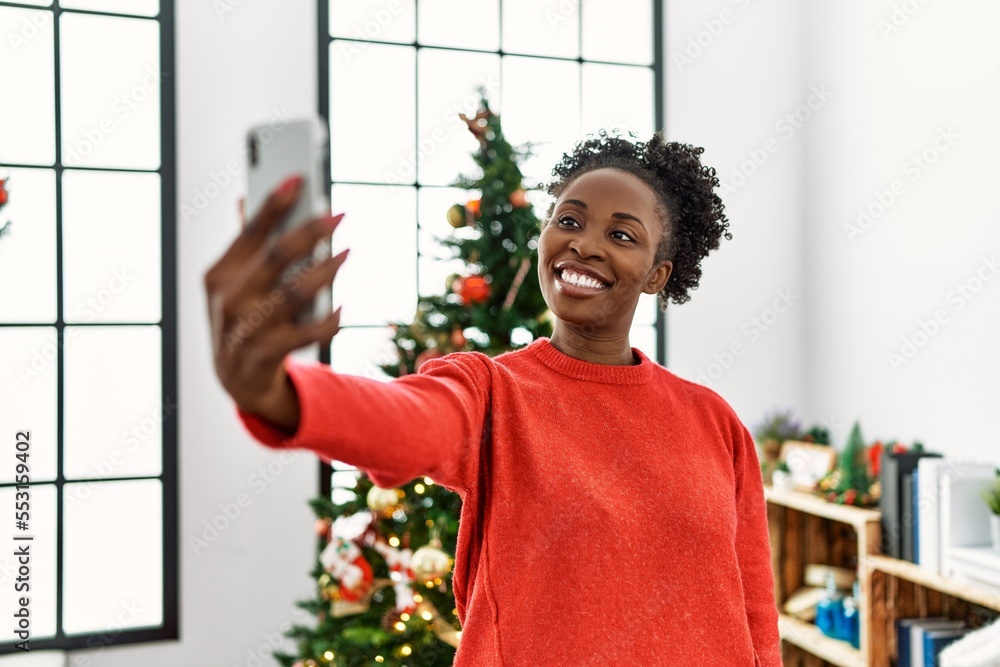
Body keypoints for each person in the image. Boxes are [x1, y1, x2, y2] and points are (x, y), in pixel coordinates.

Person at [204, 131, 782, 666]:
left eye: (621, 235)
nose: (583, 245)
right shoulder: (492, 391)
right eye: (568, 220)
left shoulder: (714, 422)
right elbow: (405, 422)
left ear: (658, 275)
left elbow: (755, 614)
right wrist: (274, 392)